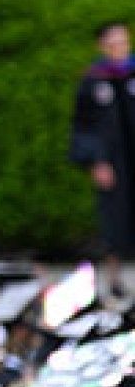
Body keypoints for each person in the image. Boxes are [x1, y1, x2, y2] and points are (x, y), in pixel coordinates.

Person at [70, 19, 135, 298]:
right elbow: (82, 126)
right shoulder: (92, 81)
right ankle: (114, 278)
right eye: (113, 43)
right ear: (102, 46)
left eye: (124, 42)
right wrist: (95, 161)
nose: (119, 48)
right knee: (114, 220)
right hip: (113, 163)